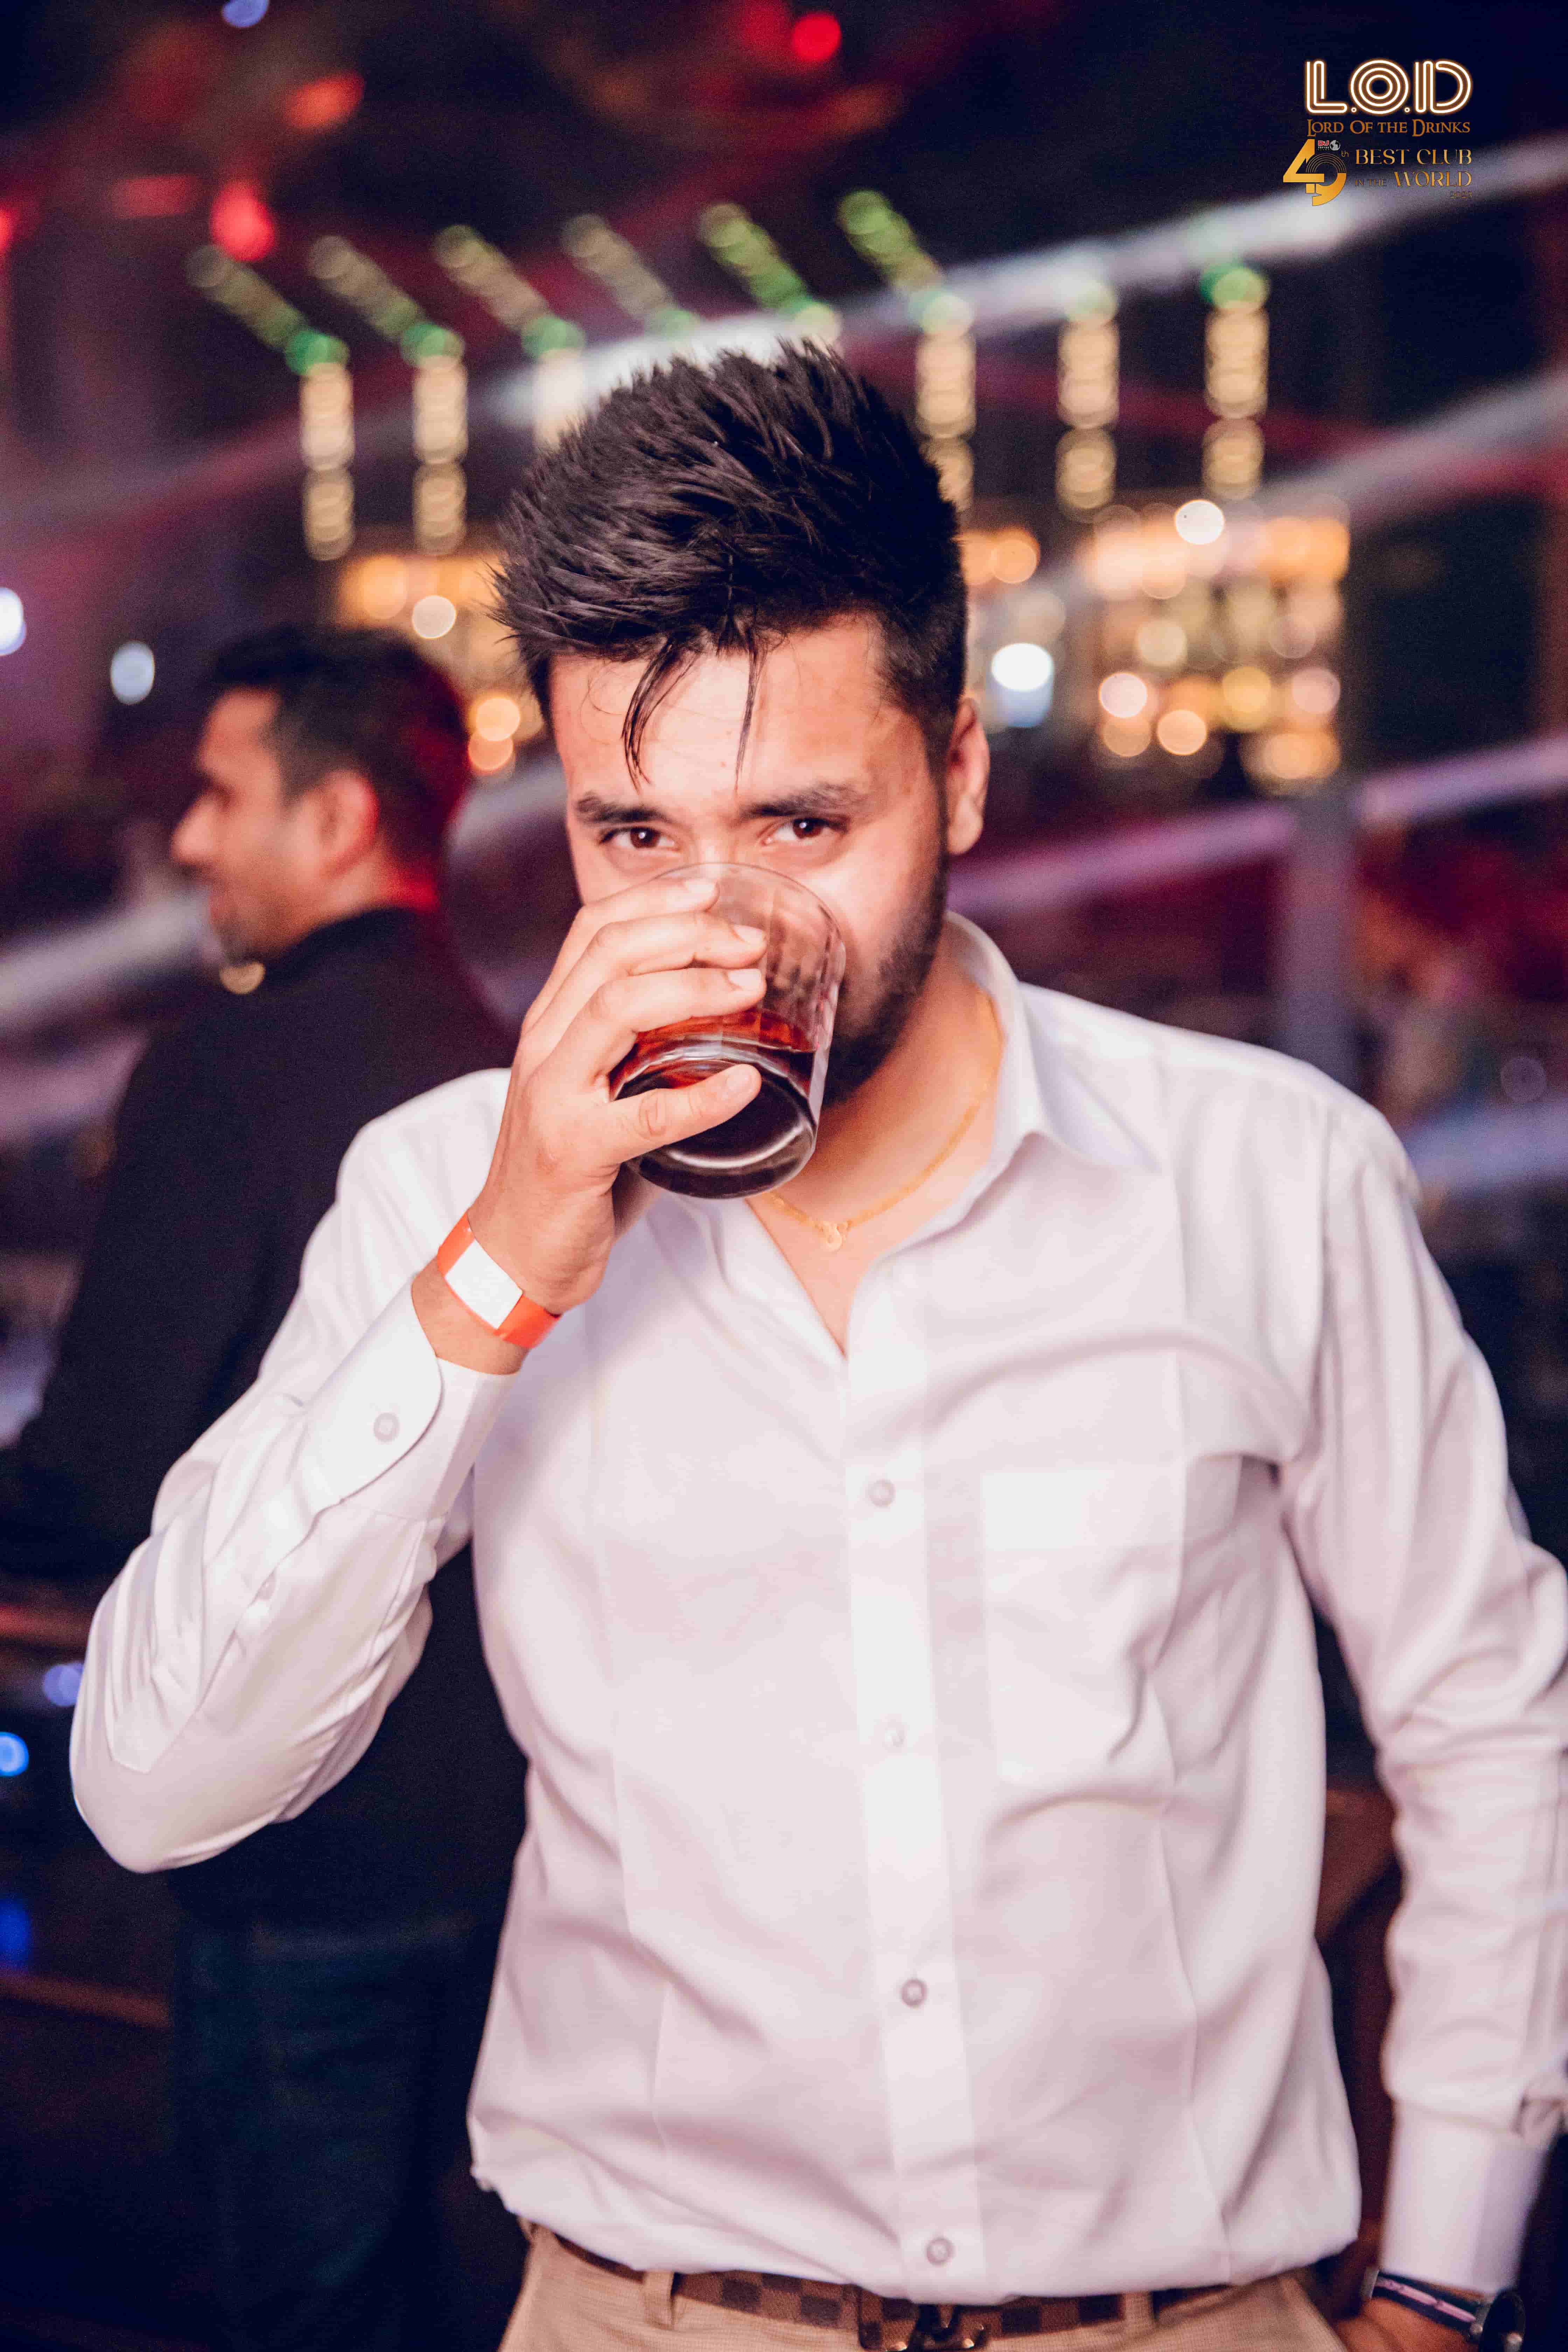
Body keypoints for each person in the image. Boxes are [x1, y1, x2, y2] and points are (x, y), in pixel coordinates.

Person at [71, 352, 1566, 2352]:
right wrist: (503, 1267)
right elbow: (156, 1782)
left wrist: (1445, 2279)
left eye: (800, 820)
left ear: (955, 776)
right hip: (652, 2313)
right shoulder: (444, 1186)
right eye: (635, 834)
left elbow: (1489, 1712)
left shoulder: (1260, 1174)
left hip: (1179, 2314)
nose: (721, 919)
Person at [0, 626, 527, 2352]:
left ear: (341, 816)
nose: (191, 841)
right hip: (511, 1832)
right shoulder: (509, 1074)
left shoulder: (226, 1070)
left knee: (300, 2311)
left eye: (225, 796)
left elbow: (101, 1467)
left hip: (301, 1835)